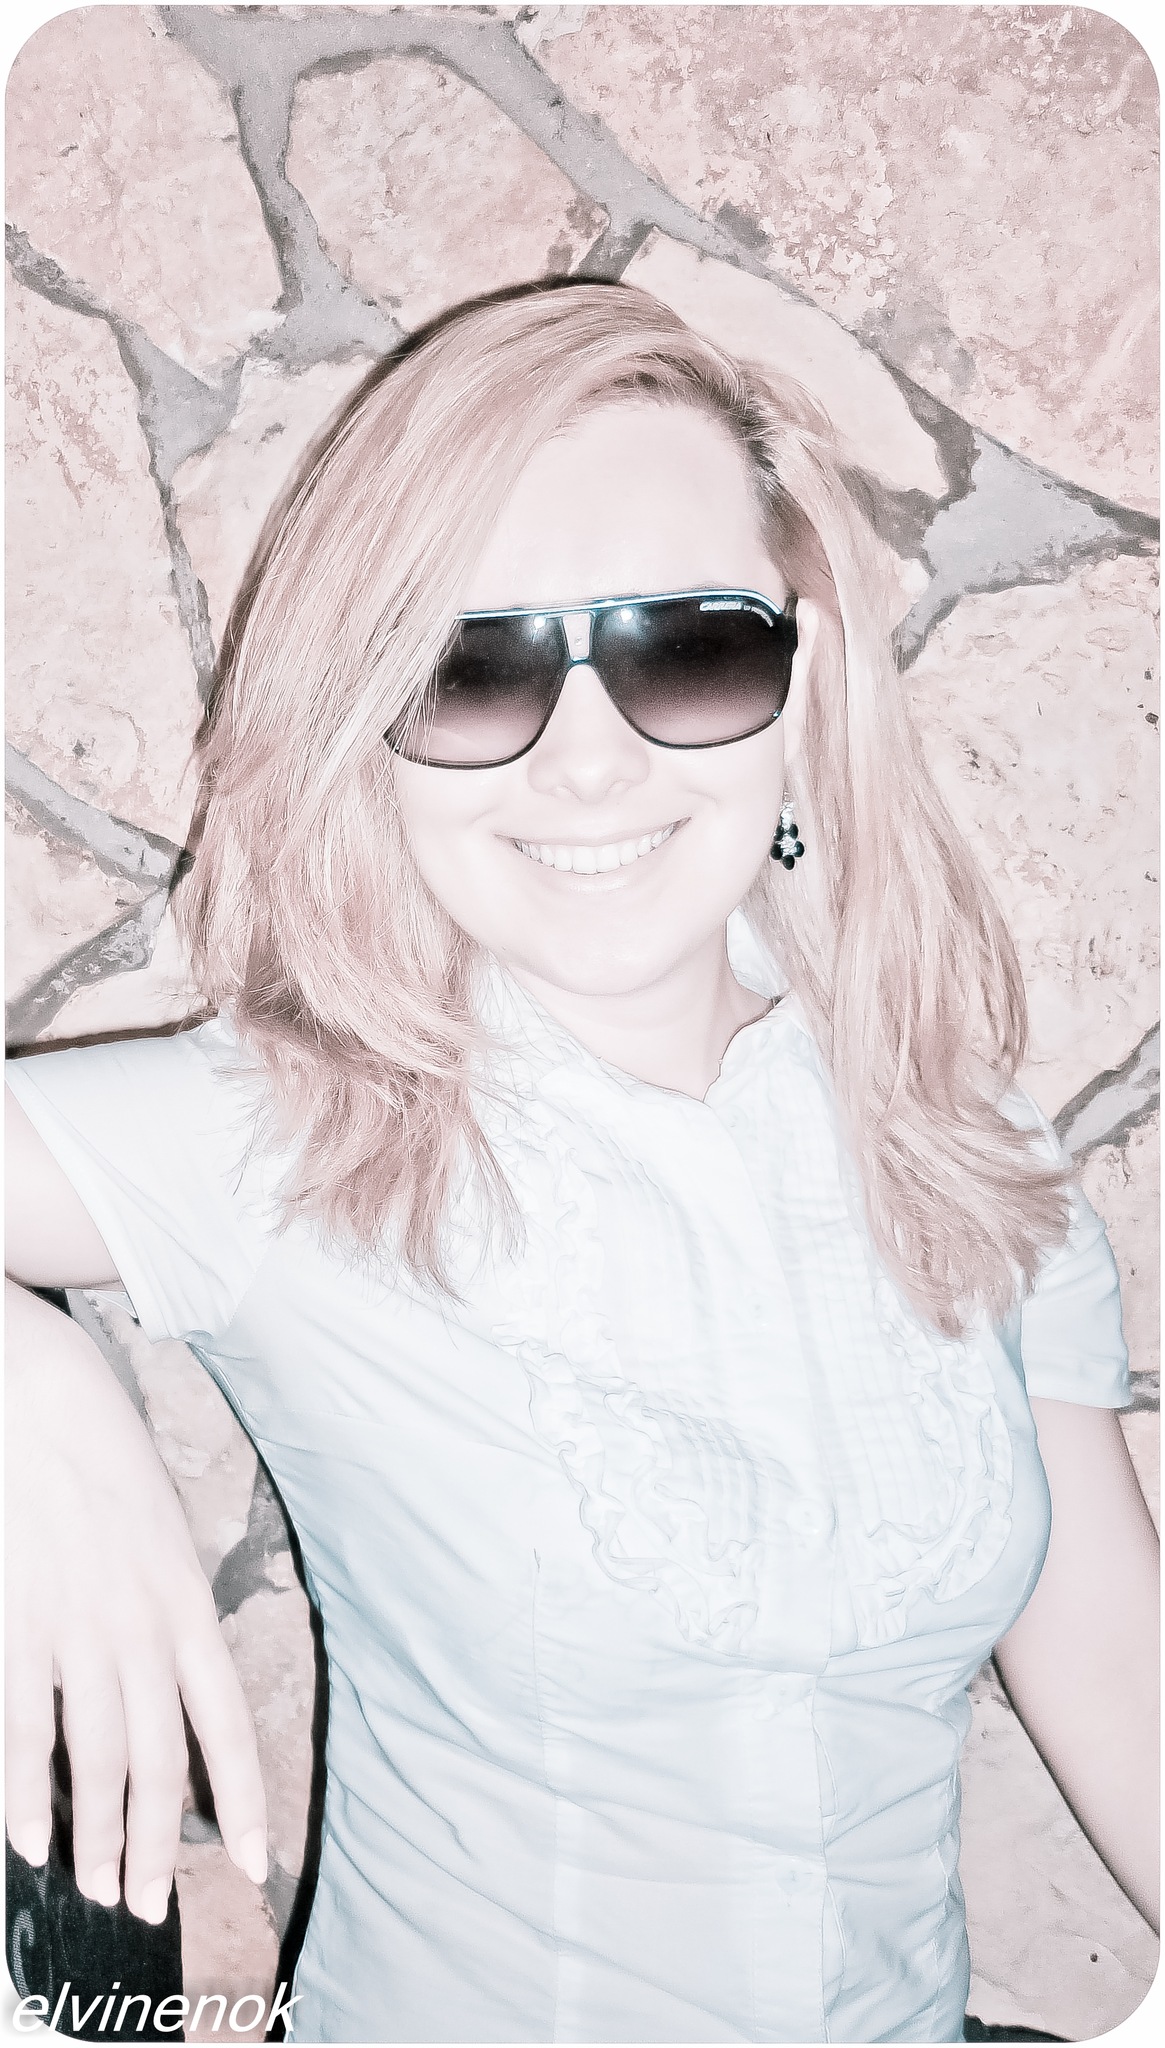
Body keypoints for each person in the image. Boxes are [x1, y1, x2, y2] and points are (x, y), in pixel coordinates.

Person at [5, 283, 1158, 2045]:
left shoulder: (967, 1154)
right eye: (474, 671)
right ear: (371, 720)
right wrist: (26, 1382)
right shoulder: (282, 1131)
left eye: (685, 650)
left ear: (800, 678)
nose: (588, 760)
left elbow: (1121, 1686)